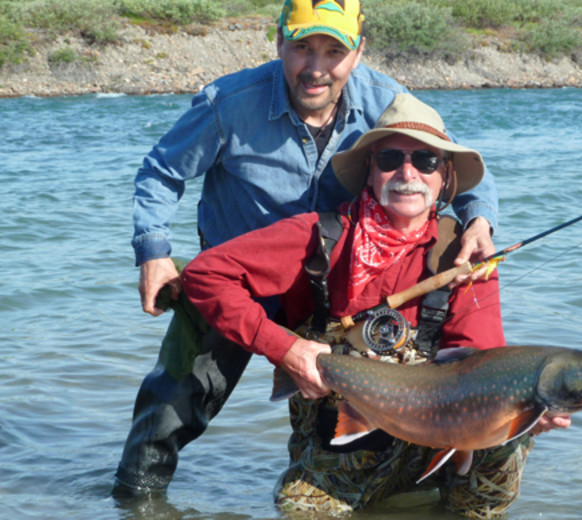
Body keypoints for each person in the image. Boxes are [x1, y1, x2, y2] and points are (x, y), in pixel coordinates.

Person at [115, 0, 500, 496]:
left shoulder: (386, 101)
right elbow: (160, 171)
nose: (316, 67)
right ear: (278, 43)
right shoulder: (227, 104)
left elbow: (446, 165)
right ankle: (133, 501)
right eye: (302, 47)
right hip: (237, 283)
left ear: (358, 51)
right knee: (169, 415)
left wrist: (479, 220)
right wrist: (153, 251)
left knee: (360, 419)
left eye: (333, 50)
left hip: (330, 296)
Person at [180, 93, 570, 518]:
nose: (407, 173)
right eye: (389, 159)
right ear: (369, 171)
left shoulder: (466, 257)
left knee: (509, 435)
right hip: (345, 443)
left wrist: (524, 410)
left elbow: (483, 363)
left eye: (426, 161)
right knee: (298, 512)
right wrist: (285, 349)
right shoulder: (319, 237)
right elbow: (204, 275)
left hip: (444, 437)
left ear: (446, 177)